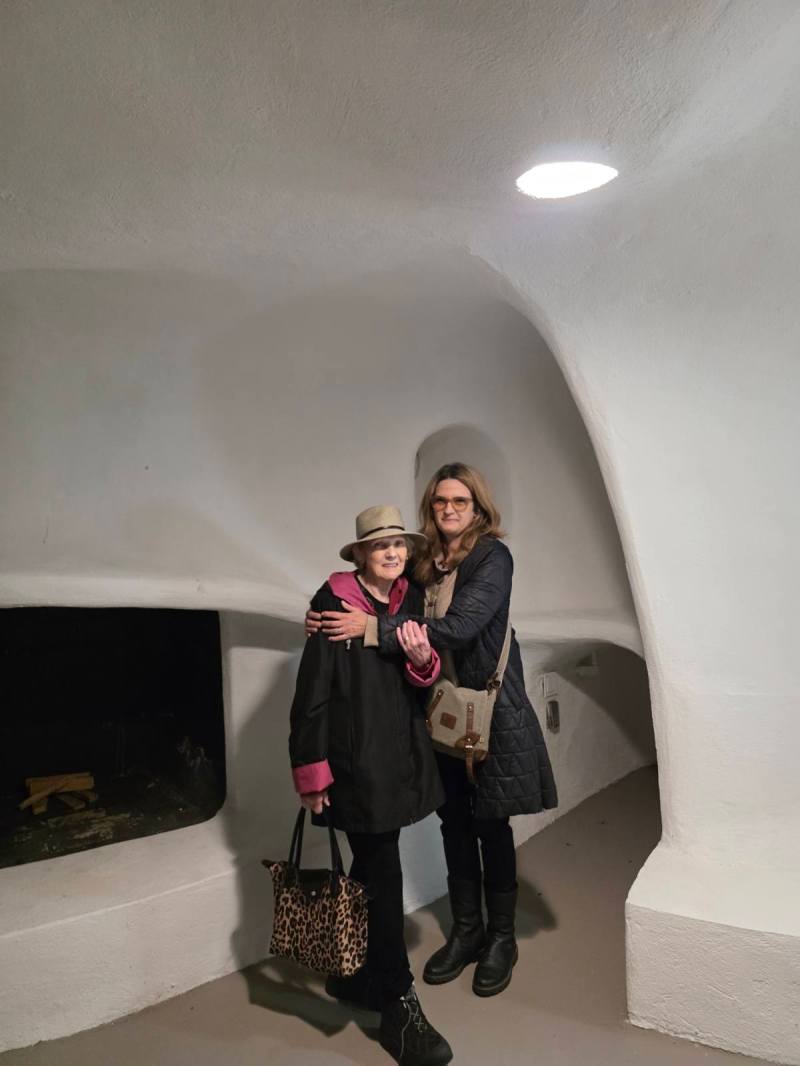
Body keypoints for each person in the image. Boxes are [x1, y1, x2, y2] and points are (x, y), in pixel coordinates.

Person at [309, 464, 558, 998]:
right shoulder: (425, 560)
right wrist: (323, 612)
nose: (449, 509)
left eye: (460, 501)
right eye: (441, 500)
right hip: (437, 705)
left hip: (485, 708)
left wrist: (373, 630)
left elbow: (462, 625)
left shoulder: (492, 556)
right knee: (453, 821)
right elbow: (377, 590)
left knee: (490, 823)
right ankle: (467, 931)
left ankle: (501, 937)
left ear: (478, 507)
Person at [289, 504, 453, 1066]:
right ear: (359, 554)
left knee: (372, 869)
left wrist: (420, 656)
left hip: (401, 756)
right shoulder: (332, 606)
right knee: (384, 870)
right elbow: (312, 692)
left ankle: (355, 976)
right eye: (379, 545)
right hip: (357, 764)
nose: (391, 552)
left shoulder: (408, 599)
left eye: (399, 545)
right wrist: (311, 772)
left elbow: (423, 672)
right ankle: (398, 1006)